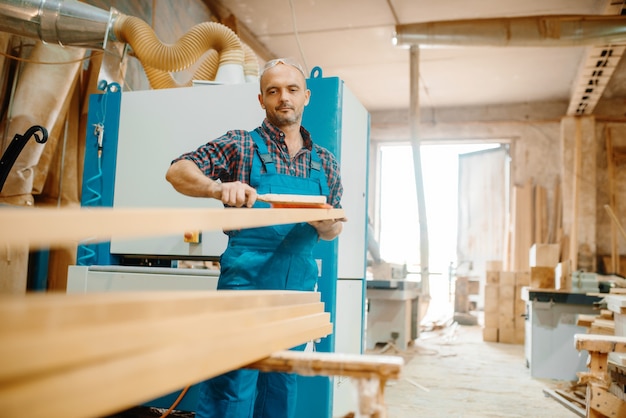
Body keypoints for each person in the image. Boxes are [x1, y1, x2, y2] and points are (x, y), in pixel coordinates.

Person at [165, 58, 344, 418]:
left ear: (306, 96)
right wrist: (218, 188)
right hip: (245, 286)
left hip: (295, 294)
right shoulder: (240, 145)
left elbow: (335, 227)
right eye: (273, 91)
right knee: (233, 380)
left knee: (280, 384)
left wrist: (326, 223)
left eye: (292, 89)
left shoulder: (325, 162)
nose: (284, 98)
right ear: (261, 100)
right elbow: (177, 171)